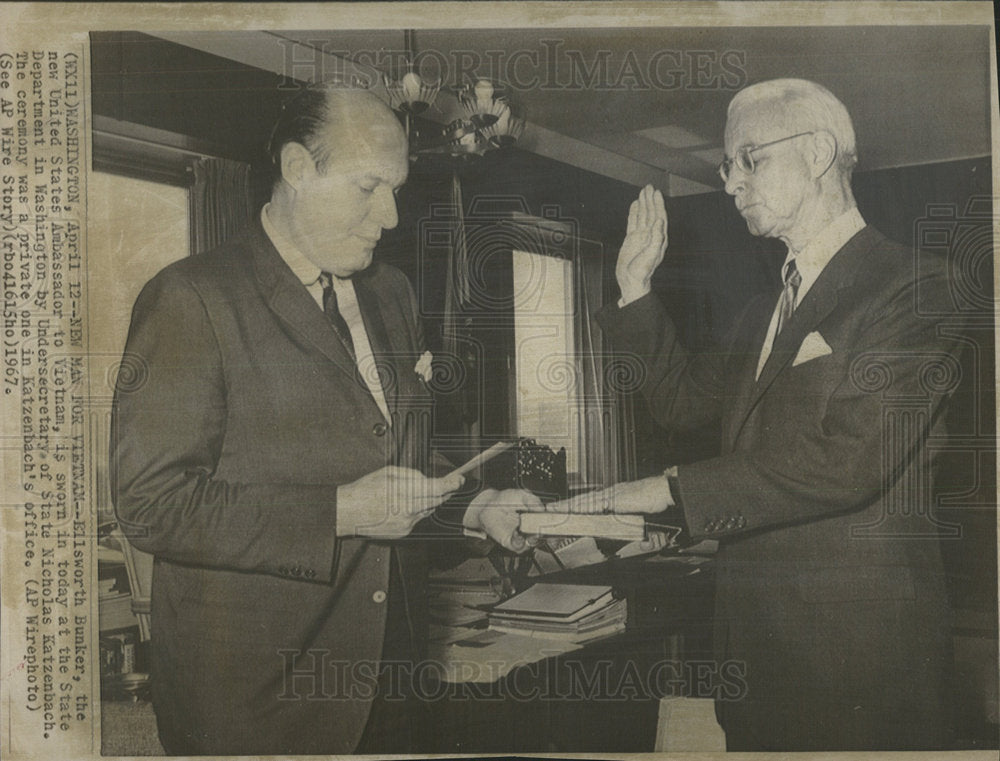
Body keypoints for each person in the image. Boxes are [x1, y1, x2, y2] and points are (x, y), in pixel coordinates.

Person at [110, 85, 537, 755]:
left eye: (396, 189)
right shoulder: (191, 299)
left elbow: (394, 462)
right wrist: (337, 512)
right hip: (256, 698)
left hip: (392, 674)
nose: (391, 216)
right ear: (298, 169)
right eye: (370, 187)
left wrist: (476, 505)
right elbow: (151, 505)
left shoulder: (391, 294)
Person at [555, 79, 962, 751]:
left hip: (857, 664)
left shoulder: (914, 285)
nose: (731, 183)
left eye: (750, 158)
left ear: (818, 152)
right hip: (756, 659)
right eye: (726, 167)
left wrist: (668, 489)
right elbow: (679, 399)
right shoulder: (761, 311)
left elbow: (850, 460)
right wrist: (633, 288)